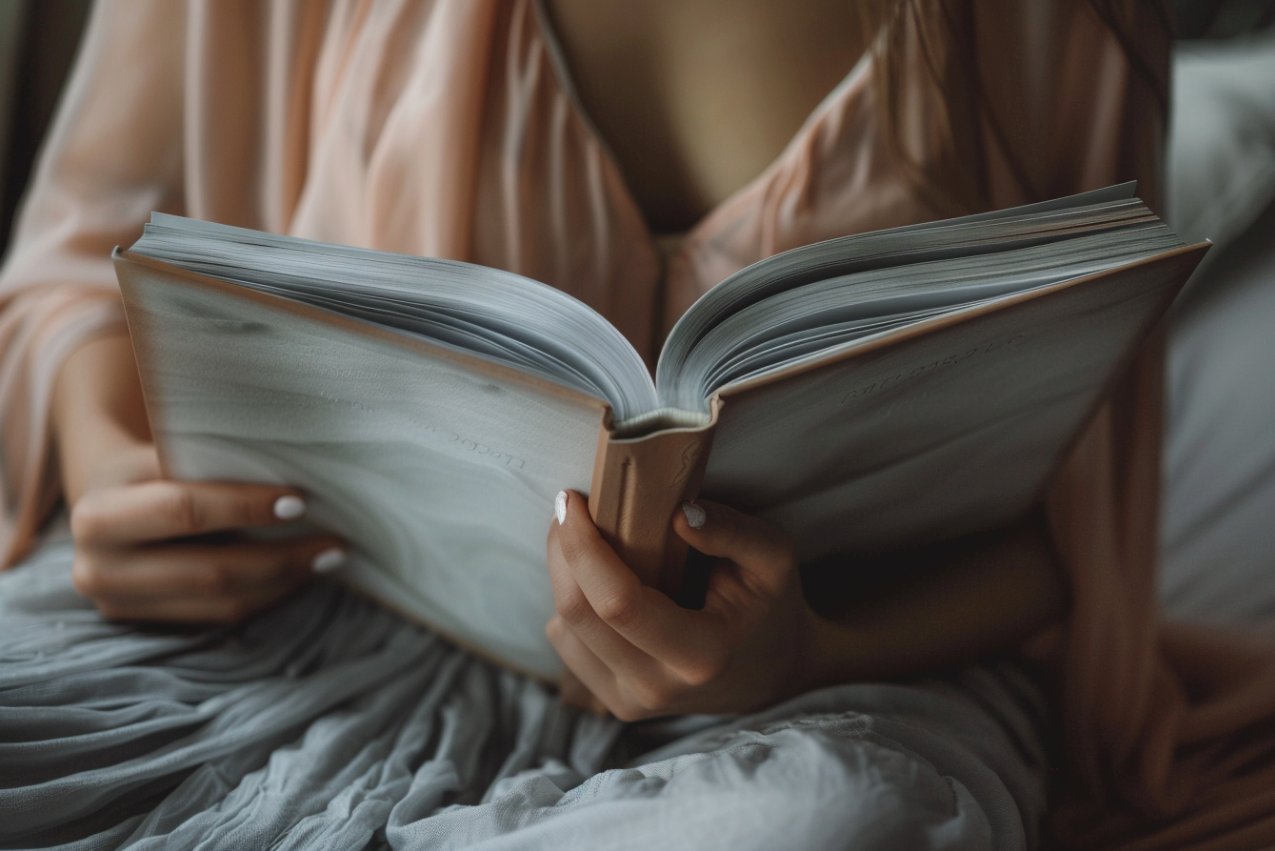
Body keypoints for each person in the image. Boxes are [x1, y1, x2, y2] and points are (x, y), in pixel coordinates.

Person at [1, 1, 1273, 848]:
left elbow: (1073, 533)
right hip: (305, 623)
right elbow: (74, 259)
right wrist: (113, 466)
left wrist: (811, 649)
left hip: (829, 690)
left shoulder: (1055, 26)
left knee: (815, 828)